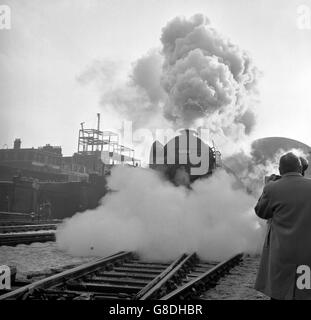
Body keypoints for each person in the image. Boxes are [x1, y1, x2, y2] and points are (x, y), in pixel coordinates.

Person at [255, 152, 311, 300]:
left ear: (280, 170)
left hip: (281, 256)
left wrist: (266, 187)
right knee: (304, 294)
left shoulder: (272, 188)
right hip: (307, 256)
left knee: (279, 294)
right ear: (300, 169)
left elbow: (261, 212)